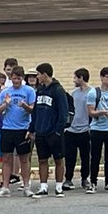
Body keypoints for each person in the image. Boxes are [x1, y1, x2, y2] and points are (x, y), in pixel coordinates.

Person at [0, 66, 36, 197]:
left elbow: (33, 110)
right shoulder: (6, 92)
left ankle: (26, 186)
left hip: (23, 129)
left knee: (24, 158)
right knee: (6, 158)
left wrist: (25, 106)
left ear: (22, 78)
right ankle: (5, 186)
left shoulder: (29, 91)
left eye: (18, 79)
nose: (16, 81)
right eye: (13, 79)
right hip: (7, 128)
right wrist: (5, 104)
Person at [31, 63, 69, 198]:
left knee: (59, 159)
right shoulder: (39, 90)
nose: (37, 77)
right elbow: (35, 112)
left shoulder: (58, 90)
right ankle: (43, 187)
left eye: (38, 74)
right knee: (42, 159)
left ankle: (59, 186)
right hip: (40, 132)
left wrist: (58, 131)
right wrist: (32, 129)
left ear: (45, 74)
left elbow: (63, 113)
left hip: (54, 132)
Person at [87, 66, 108, 192]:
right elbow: (91, 112)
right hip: (97, 128)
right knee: (95, 157)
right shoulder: (94, 93)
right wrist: (101, 112)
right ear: (102, 77)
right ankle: (93, 182)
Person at [65, 68, 92, 192]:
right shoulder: (73, 93)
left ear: (81, 78)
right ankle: (68, 179)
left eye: (75, 77)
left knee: (85, 156)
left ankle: (85, 178)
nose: (73, 80)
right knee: (70, 156)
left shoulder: (92, 93)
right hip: (71, 130)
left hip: (85, 129)